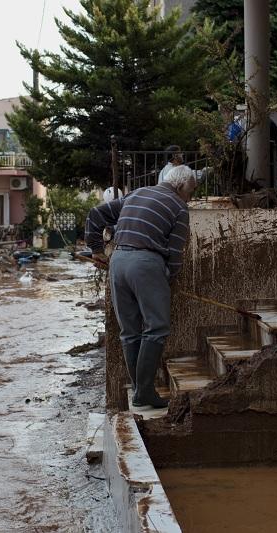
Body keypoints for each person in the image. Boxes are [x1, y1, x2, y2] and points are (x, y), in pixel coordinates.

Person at [85, 165, 197, 408]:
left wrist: (95, 249)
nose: (190, 197)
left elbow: (95, 214)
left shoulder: (136, 194)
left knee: (129, 331)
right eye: (190, 192)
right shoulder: (179, 207)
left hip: (118, 262)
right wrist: (164, 279)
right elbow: (175, 255)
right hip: (146, 264)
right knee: (156, 328)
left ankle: (139, 390)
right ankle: (144, 391)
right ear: (180, 187)